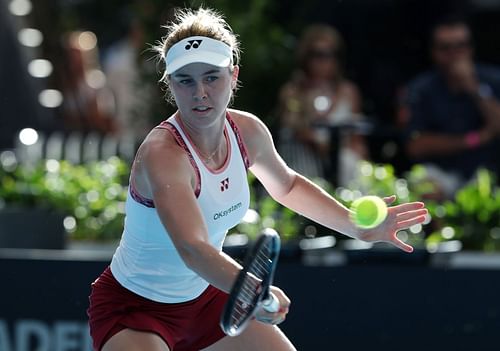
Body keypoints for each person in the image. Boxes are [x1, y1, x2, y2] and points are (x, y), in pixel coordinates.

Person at [87, 7, 428, 351]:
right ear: (170, 84)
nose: (200, 92)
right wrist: (252, 290)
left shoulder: (247, 131)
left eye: (212, 77)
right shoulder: (164, 154)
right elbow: (193, 249)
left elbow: (288, 186)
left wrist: (354, 225)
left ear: (233, 76)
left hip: (207, 297)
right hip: (135, 309)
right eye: (185, 80)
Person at [404, 15, 500, 199]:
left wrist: (475, 89)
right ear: (434, 52)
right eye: (446, 48)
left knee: (485, 189)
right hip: (440, 171)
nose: (454, 55)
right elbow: (415, 145)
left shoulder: (493, 80)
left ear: (471, 48)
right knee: (425, 185)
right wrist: (473, 140)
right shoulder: (421, 89)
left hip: (486, 171)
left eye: (460, 46)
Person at [277, 24, 368, 186]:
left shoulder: (349, 91)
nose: (324, 61)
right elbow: (297, 131)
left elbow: (357, 139)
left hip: (345, 163)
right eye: (318, 54)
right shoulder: (293, 91)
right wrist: (328, 150)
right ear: (306, 57)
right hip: (305, 164)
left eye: (331, 54)